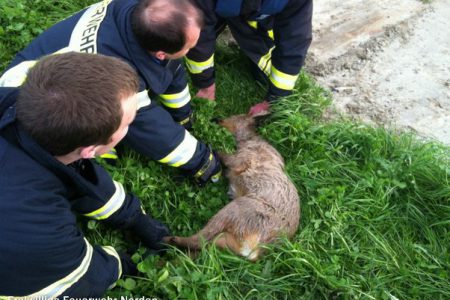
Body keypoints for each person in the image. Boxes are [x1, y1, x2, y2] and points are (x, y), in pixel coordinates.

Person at [0, 52, 170, 297]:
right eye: (128, 123)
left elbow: (75, 173)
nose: (131, 126)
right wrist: (127, 265)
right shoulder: (41, 234)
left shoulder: (15, 103)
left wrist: (132, 216)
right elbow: (81, 278)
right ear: (90, 150)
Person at [0, 0, 221, 186]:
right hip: (29, 101)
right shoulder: (119, 79)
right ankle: (98, 152)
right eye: (189, 48)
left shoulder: (142, 13)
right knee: (111, 124)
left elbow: (171, 70)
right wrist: (204, 163)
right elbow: (154, 132)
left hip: (48, 68)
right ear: (161, 53)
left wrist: (183, 117)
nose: (193, 49)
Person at [185, 0, 313, 115]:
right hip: (214, 7)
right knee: (188, 35)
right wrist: (205, 84)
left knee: (264, 78)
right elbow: (199, 36)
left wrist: (275, 99)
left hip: (257, 16)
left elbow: (294, 42)